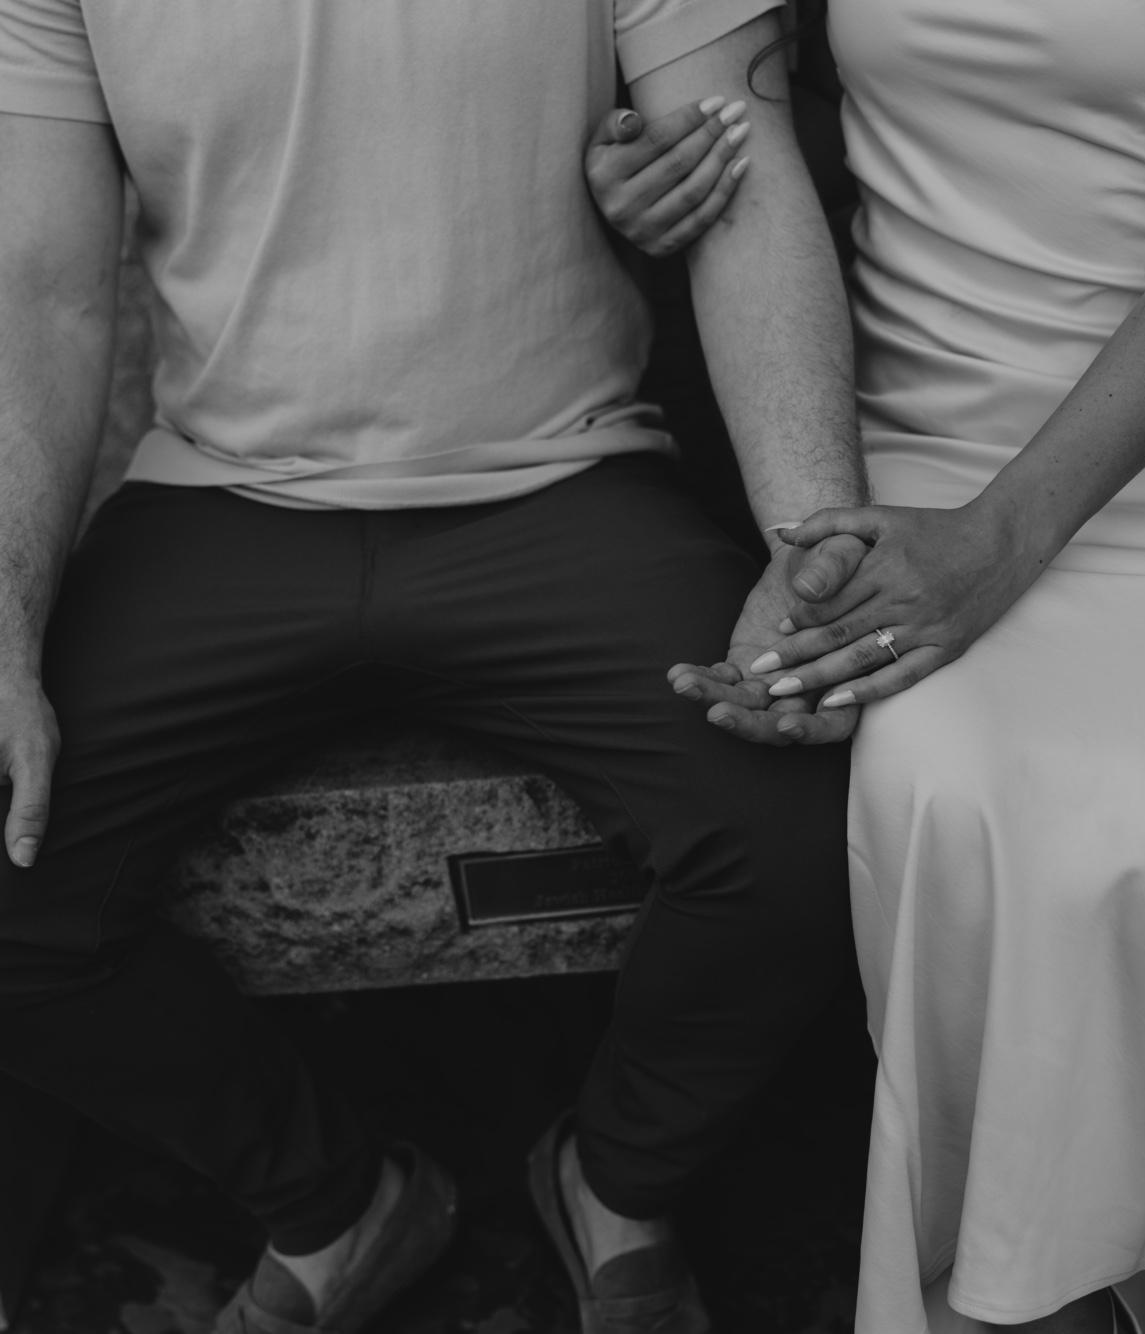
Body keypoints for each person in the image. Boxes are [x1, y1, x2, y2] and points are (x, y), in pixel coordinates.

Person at [0, 4, 871, 1333]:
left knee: (806, 823)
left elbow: (744, 188)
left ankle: (617, 1184)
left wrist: (806, 540)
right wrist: (5, 635)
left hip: (565, 479)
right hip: (223, 501)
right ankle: (331, 1204)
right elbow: (40, 290)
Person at [585, 0, 1145, 1330]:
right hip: (921, 440)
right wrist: (637, 187)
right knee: (942, 788)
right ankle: (1026, 1288)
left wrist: (1003, 539)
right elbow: (736, 114)